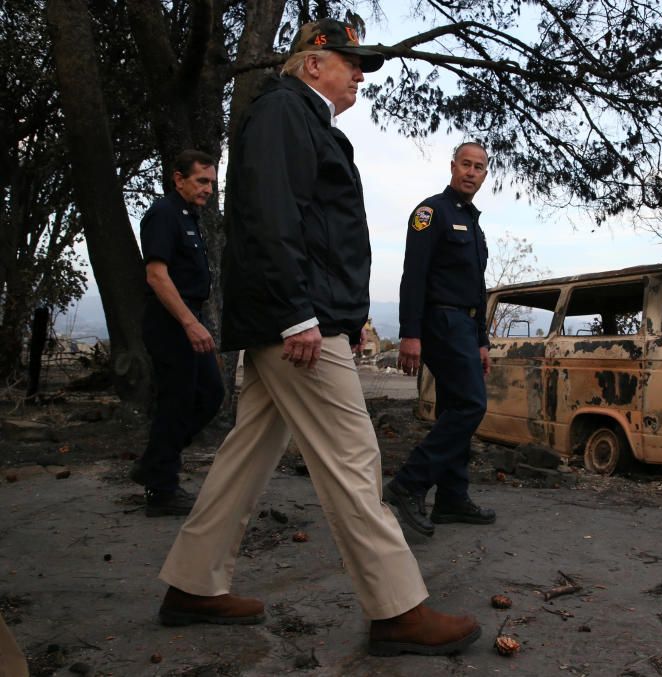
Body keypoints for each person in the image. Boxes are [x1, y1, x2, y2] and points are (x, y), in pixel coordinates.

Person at [154, 19, 480, 657]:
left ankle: (192, 584)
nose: (359, 74)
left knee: (246, 455)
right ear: (312, 64)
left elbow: (316, 231)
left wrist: (345, 312)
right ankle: (397, 610)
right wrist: (298, 314)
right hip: (296, 324)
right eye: (350, 62)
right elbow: (270, 216)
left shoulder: (305, 121)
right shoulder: (282, 113)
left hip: (302, 314)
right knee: (354, 458)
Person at [387, 142, 495, 537]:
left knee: (455, 404)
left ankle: (451, 498)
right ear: (452, 167)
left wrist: (482, 340)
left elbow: (477, 288)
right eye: (465, 164)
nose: (471, 172)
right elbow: (412, 276)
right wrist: (409, 333)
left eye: (479, 167)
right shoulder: (430, 212)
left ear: (485, 175)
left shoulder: (473, 222)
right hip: (440, 321)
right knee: (470, 404)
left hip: (466, 326)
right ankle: (409, 483)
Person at [132, 150, 224, 517]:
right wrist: (189, 323)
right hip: (172, 322)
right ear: (178, 178)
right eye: (201, 181)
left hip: (190, 318)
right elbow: (157, 275)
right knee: (177, 401)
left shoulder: (190, 216)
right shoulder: (163, 215)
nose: (207, 189)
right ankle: (161, 489)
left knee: (210, 395)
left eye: (212, 183)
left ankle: (155, 463)